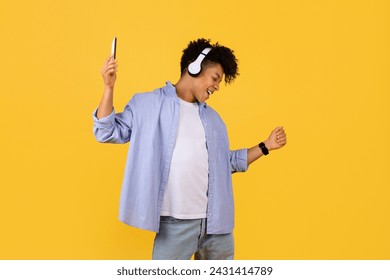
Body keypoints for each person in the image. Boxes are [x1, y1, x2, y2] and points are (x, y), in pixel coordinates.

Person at [93, 38, 287, 260]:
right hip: (175, 226)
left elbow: (227, 163)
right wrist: (109, 88)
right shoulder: (146, 104)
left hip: (217, 227)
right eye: (215, 78)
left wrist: (266, 146)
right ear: (194, 67)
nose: (217, 86)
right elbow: (106, 131)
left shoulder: (214, 120)